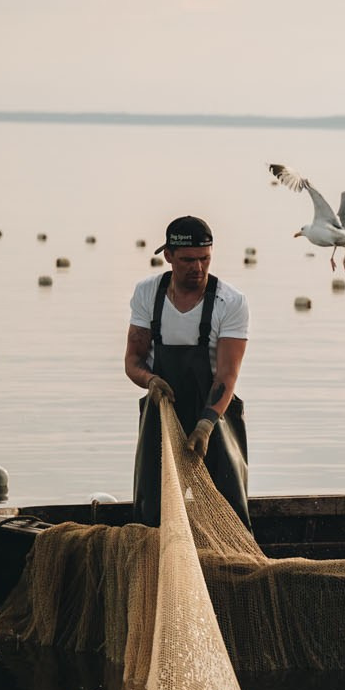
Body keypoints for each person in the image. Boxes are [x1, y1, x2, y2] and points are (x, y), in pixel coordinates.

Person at [122, 216, 251, 527]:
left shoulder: (230, 302)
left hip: (214, 417)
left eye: (205, 259)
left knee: (227, 514)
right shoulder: (147, 295)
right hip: (162, 414)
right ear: (168, 256)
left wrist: (206, 426)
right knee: (153, 512)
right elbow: (133, 360)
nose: (198, 268)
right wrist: (150, 380)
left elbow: (226, 375)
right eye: (188, 260)